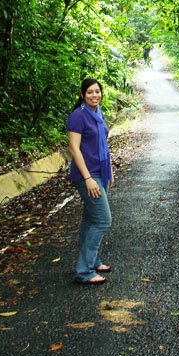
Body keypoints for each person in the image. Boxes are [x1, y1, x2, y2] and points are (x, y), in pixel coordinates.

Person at [67, 78, 114, 285]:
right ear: (82, 95)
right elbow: (74, 149)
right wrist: (87, 178)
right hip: (87, 175)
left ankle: (93, 261)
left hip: (101, 172)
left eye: (97, 91)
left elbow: (104, 145)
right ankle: (84, 271)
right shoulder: (78, 116)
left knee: (90, 219)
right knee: (103, 220)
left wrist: (110, 172)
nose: (95, 95)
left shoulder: (98, 114)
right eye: (90, 92)